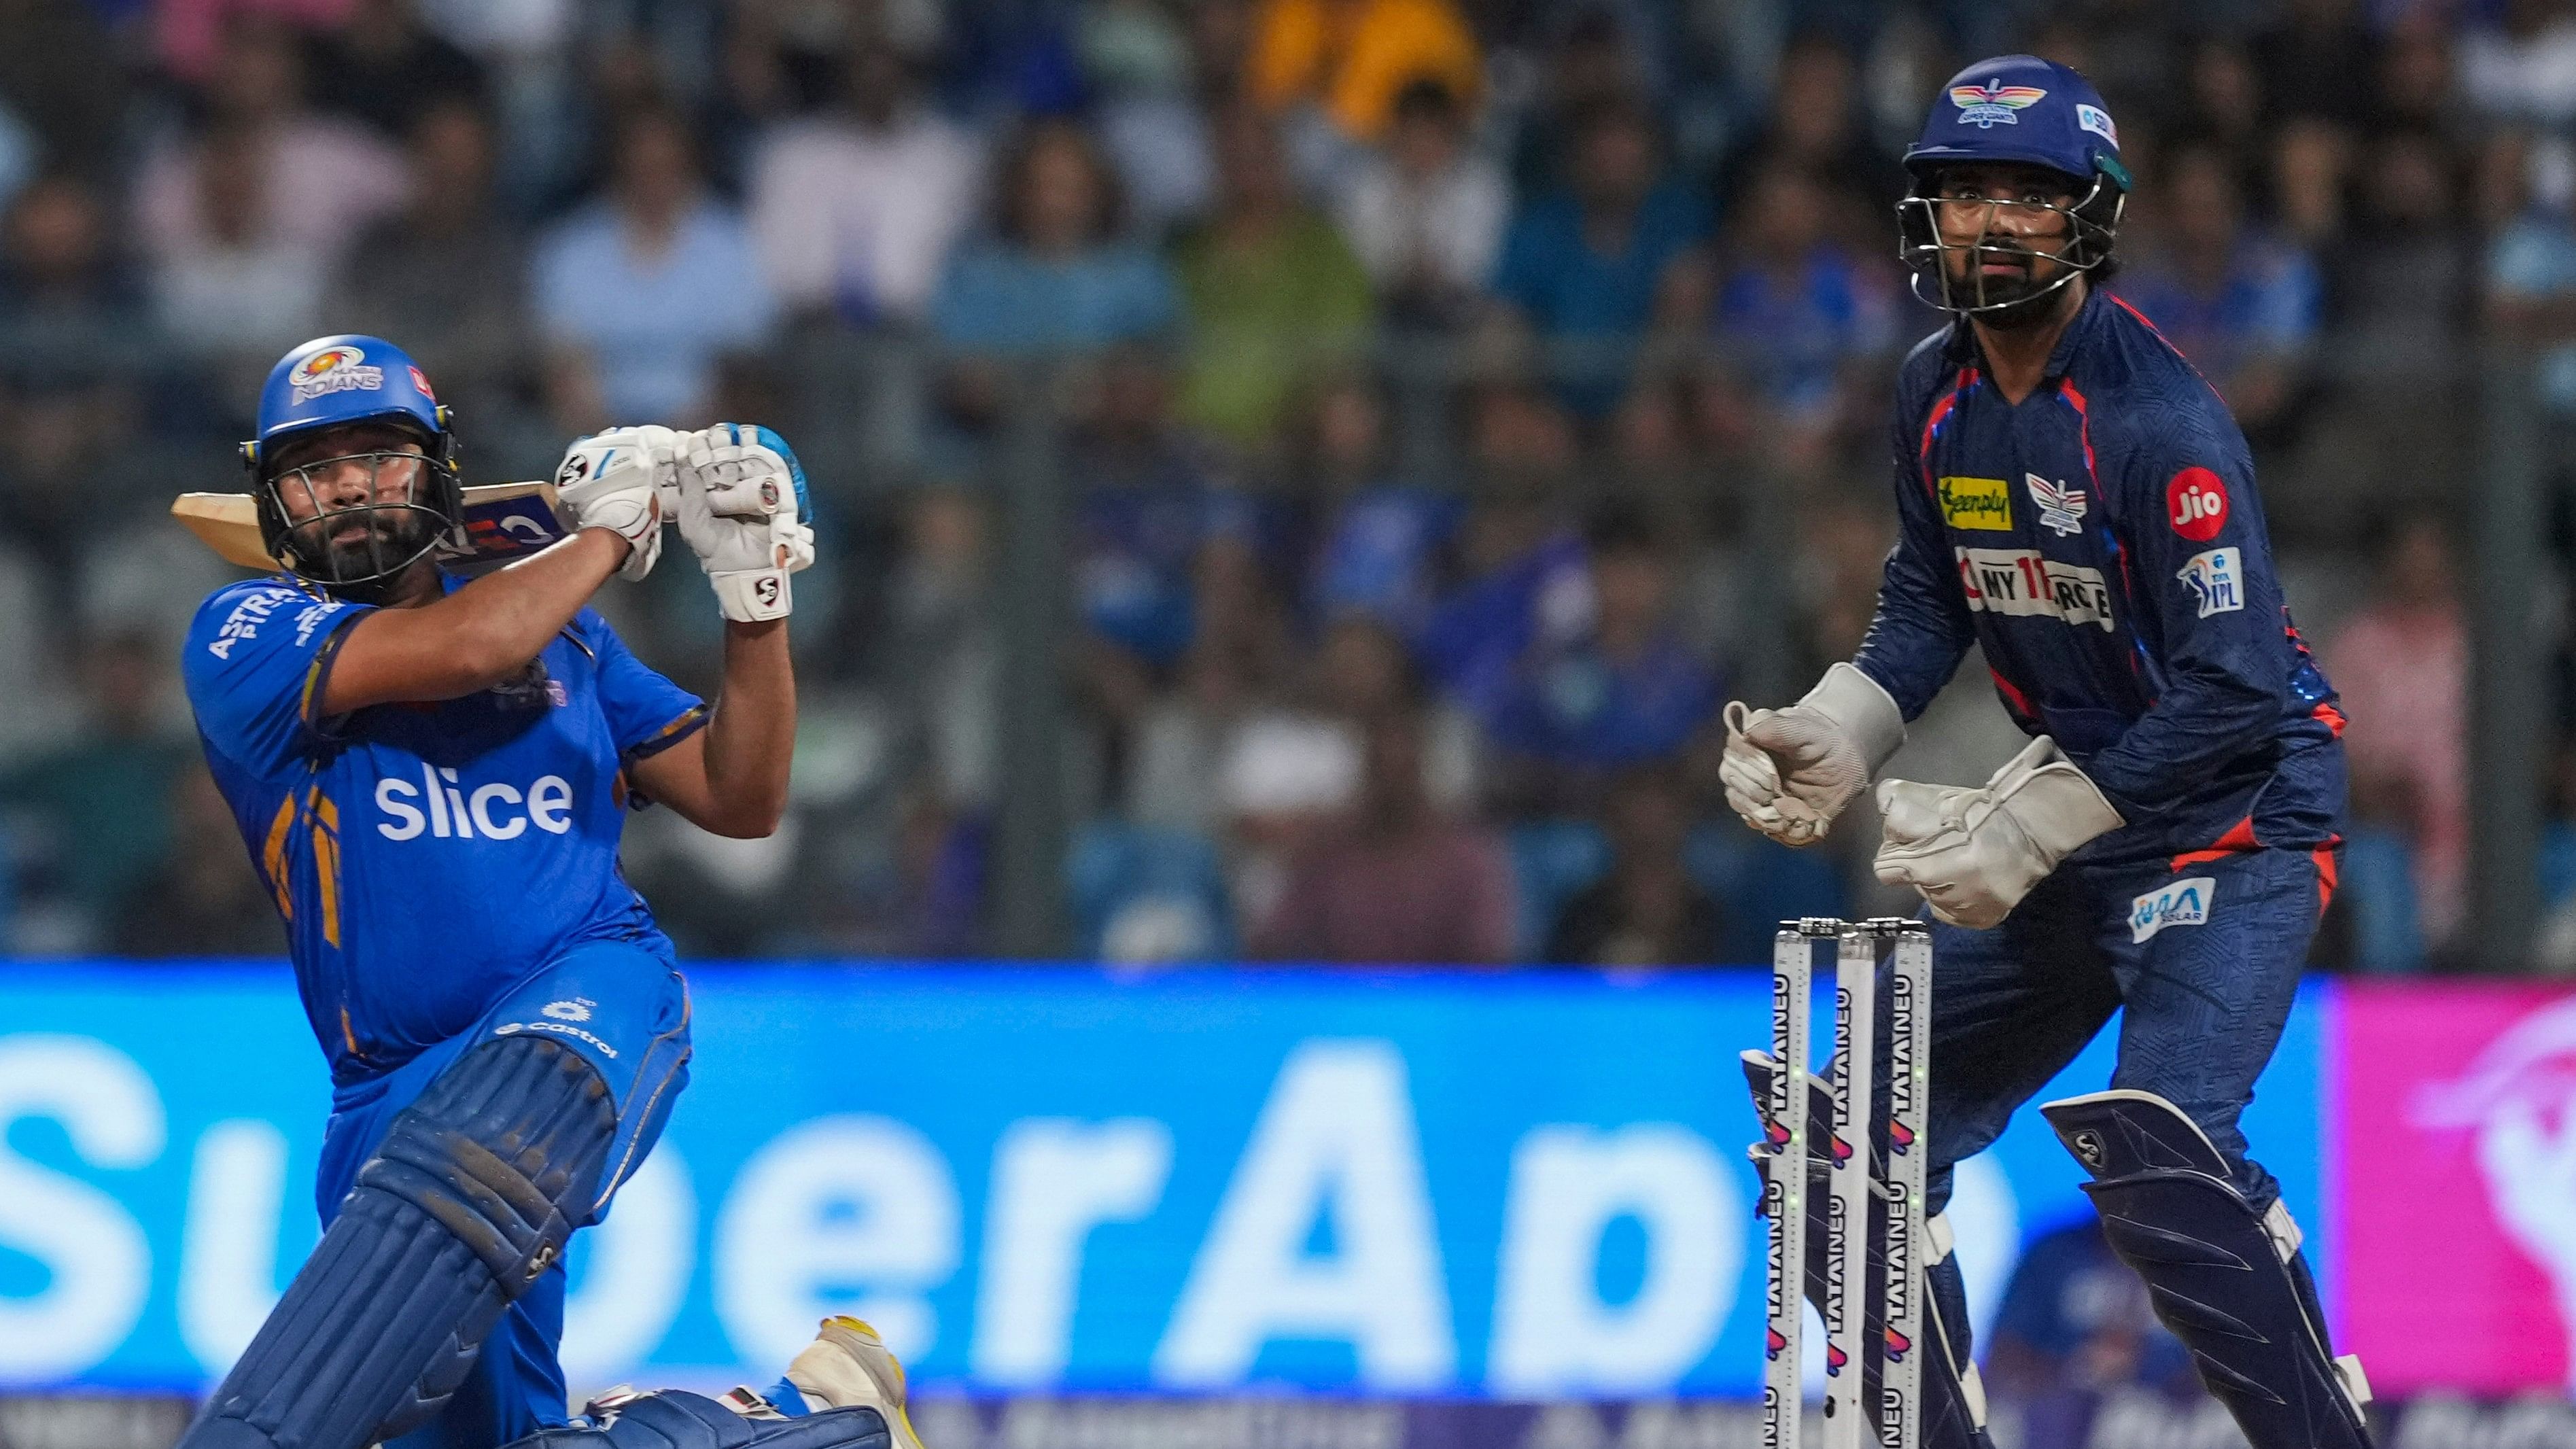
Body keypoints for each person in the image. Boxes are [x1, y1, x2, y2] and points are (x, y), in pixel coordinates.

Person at [1719, 59, 2370, 1449]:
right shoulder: (1933, 396)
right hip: (2088, 820)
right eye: (1963, 190)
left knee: (2162, 1147)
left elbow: (2236, 687)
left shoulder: (2158, 423)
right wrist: (1836, 724)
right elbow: (1925, 601)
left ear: (2089, 218)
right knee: (1849, 1136)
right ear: (1925, 217)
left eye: (2028, 192)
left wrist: (2028, 827)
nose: (1993, 221)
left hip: (2238, 813)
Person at [173, 333, 908, 1449]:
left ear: (436, 473)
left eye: (380, 456)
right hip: (386, 1103)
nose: (353, 489)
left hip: (588, 997)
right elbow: (471, 646)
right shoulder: (248, 635)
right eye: (318, 470)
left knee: (485, 1128)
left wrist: (752, 599)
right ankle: (812, 1427)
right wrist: (612, 531)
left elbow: (739, 794)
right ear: (275, 504)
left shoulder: (571, 637)